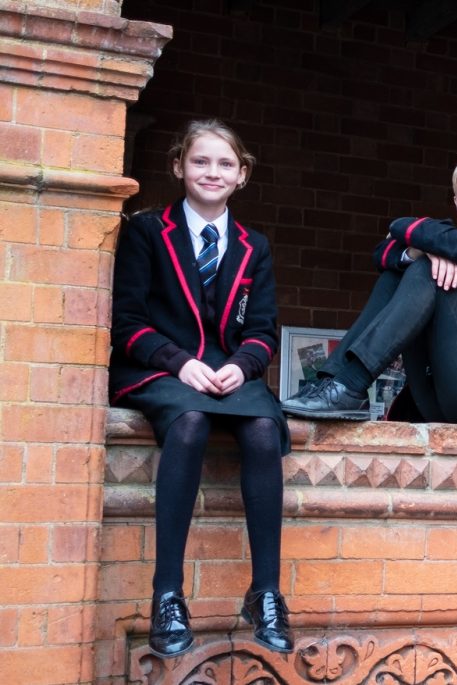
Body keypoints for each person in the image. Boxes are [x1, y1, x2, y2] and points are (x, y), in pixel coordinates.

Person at [109, 119, 292, 656]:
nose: (212, 172)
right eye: (200, 161)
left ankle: (266, 593)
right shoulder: (147, 232)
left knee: (262, 429)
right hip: (162, 370)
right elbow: (125, 321)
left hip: (229, 375)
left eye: (224, 164)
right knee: (189, 424)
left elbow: (262, 330)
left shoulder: (252, 246)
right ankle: (167, 594)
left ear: (242, 175)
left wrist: (243, 364)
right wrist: (178, 362)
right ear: (178, 167)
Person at [281, 148, 457, 428]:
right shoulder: (453, 245)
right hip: (436, 396)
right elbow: (383, 254)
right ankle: (334, 382)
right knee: (404, 270)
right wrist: (422, 251)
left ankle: (351, 384)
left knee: (428, 269)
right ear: (455, 202)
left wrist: (426, 245)